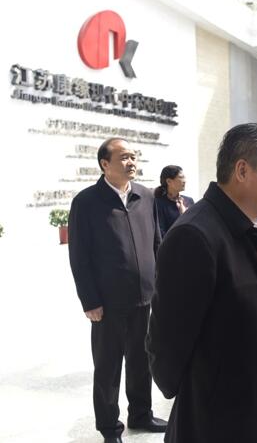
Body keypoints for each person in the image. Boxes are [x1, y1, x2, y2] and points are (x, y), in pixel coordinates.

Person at [146, 123, 257, 442]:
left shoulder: (253, 227)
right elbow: (166, 345)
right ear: (242, 170)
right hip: (220, 421)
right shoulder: (195, 236)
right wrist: (206, 388)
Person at [68, 138, 166, 443]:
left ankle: (141, 414)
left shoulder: (146, 196)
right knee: (108, 367)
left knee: (141, 360)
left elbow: (157, 243)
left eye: (133, 156)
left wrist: (161, 286)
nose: (131, 162)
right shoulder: (86, 202)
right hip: (108, 303)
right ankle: (110, 427)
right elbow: (79, 256)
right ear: (104, 164)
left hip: (145, 297)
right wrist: (90, 300)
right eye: (124, 157)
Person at [154, 165, 194, 237]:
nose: (184, 181)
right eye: (181, 177)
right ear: (169, 181)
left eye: (184, 177)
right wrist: (183, 216)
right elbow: (161, 233)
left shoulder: (189, 201)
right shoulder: (158, 203)